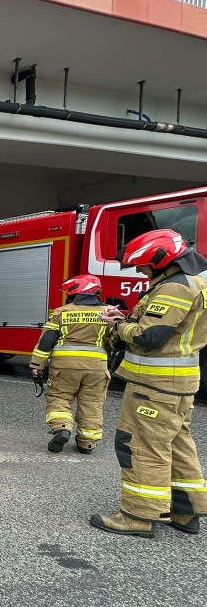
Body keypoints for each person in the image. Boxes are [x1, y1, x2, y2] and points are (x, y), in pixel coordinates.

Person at [93, 229, 207, 538]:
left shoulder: (175, 287)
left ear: (160, 261)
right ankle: (185, 512)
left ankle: (138, 517)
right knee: (177, 444)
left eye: (143, 266)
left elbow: (150, 337)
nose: (140, 272)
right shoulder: (195, 282)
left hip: (155, 385)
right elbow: (169, 328)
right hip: (178, 384)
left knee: (140, 446)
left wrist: (119, 325)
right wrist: (130, 317)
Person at [29, 275, 114, 454]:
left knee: (59, 398)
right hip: (97, 368)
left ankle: (62, 427)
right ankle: (87, 443)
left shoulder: (62, 312)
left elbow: (46, 342)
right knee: (92, 403)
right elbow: (115, 341)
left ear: (74, 293)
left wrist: (37, 365)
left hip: (64, 367)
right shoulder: (109, 312)